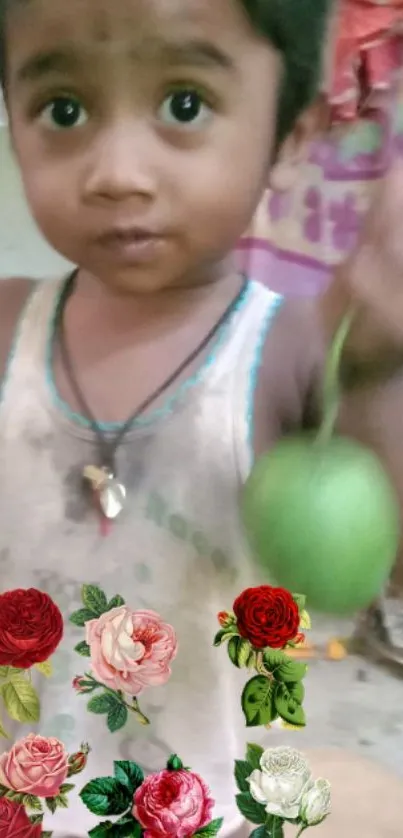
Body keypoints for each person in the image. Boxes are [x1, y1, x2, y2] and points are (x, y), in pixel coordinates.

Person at [0, 0, 402, 835]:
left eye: (183, 104)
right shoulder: (7, 328)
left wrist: (374, 374)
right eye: (62, 110)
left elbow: (370, 573)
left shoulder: (290, 347)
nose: (115, 171)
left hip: (208, 804)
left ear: (289, 136)